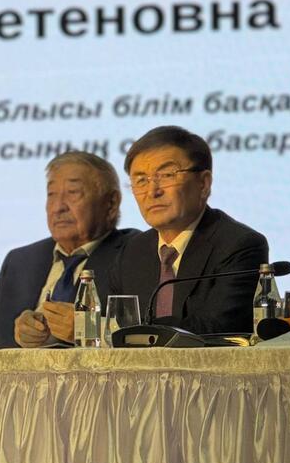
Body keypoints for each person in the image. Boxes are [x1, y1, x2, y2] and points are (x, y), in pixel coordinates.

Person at [108, 126, 268, 334]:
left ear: (203, 183)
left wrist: (138, 330)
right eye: (141, 180)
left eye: (166, 175)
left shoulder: (239, 245)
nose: (152, 191)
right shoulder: (131, 253)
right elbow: (112, 327)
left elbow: (217, 327)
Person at [0, 151, 137, 349]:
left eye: (73, 193)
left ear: (111, 203)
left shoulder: (134, 253)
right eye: (51, 194)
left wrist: (87, 329)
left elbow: (142, 334)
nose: (58, 207)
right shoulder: (20, 261)